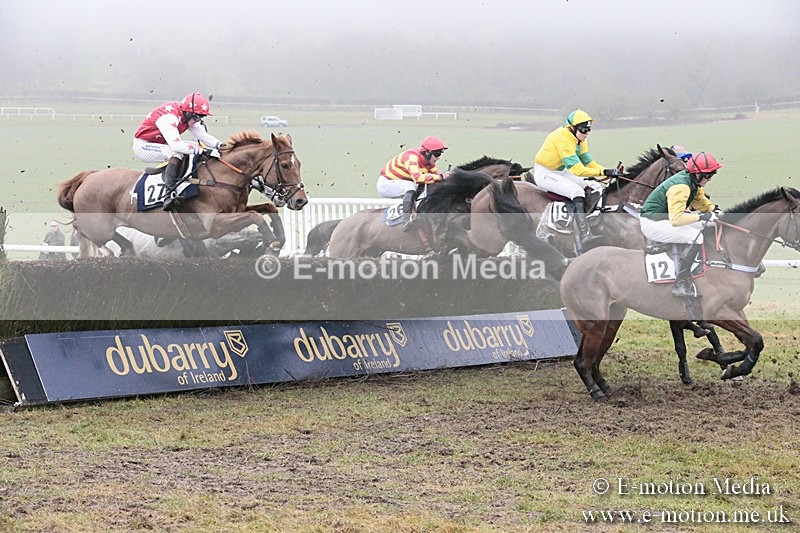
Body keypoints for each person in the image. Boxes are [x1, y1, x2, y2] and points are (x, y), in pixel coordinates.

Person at [532, 109, 622, 249]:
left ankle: (592, 221)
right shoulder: (563, 139)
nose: (586, 133)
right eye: (583, 130)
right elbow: (578, 170)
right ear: (572, 128)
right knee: (577, 192)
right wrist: (604, 171)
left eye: (588, 130)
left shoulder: (579, 139)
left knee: (595, 185)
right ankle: (584, 234)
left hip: (559, 171)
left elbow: (589, 163)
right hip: (545, 173)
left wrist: (608, 174)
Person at [639, 151, 723, 298]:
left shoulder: (693, 183)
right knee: (695, 237)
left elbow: (701, 202)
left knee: (706, 226)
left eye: (712, 175)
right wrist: (701, 216)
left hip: (663, 219)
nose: (710, 179)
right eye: (708, 175)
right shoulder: (681, 187)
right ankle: (681, 282)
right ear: (697, 174)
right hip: (652, 223)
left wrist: (715, 211)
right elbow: (677, 219)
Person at [132, 92, 225, 211]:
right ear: (187, 113)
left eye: (201, 117)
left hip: (161, 144)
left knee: (194, 145)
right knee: (176, 152)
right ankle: (169, 193)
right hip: (144, 146)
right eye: (197, 117)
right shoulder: (169, 118)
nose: (198, 121)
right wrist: (205, 151)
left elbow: (202, 135)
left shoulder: (187, 116)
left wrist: (221, 145)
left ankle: (186, 181)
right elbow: (176, 146)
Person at [376, 136, 449, 230]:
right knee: (412, 186)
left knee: (427, 186)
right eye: (437, 154)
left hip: (400, 183)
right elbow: (418, 178)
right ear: (427, 152)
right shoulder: (411, 157)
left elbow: (436, 179)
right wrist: (441, 176)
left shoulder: (430, 164)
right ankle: (407, 220)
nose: (438, 157)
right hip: (386, 184)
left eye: (440, 154)